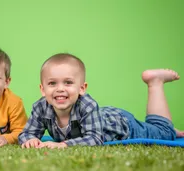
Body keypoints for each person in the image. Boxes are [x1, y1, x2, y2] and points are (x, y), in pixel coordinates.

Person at [18, 53, 184, 149]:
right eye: (52, 83)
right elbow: (26, 133)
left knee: (164, 132)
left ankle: (155, 82)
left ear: (82, 88)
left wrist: (63, 145)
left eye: (68, 82)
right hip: (104, 116)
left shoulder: (87, 105)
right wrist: (30, 139)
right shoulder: (40, 107)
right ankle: (169, 128)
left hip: (123, 126)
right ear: (42, 89)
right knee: (160, 129)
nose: (60, 88)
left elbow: (95, 139)